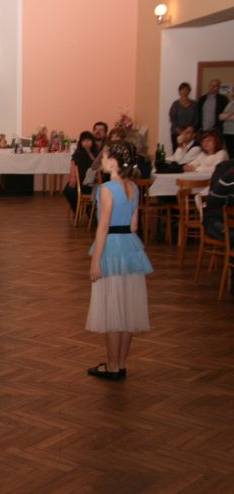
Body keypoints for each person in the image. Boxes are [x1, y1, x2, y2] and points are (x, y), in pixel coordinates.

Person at [86, 141, 153, 380]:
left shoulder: (106, 189)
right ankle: (121, 363)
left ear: (113, 162)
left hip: (111, 248)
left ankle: (112, 366)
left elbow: (103, 227)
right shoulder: (134, 187)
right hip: (130, 248)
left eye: (104, 157)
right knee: (128, 309)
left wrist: (96, 261)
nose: (102, 161)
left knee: (113, 310)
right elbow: (134, 226)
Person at [64, 131, 98, 211]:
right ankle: (79, 211)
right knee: (68, 190)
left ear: (92, 142)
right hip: (82, 181)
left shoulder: (96, 153)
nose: (86, 143)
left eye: (88, 140)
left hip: (93, 182)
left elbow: (97, 165)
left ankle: (89, 211)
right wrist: (73, 178)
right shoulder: (78, 153)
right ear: (81, 142)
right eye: (84, 141)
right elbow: (73, 165)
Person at [202, 159, 234, 241]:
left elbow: (212, 202)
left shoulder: (226, 169)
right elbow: (213, 204)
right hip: (222, 219)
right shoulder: (226, 169)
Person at [168, 82, 199, 152]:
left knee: (189, 152)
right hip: (177, 133)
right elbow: (172, 118)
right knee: (177, 151)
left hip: (190, 134)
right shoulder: (175, 104)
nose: (184, 91)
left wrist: (190, 129)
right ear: (179, 91)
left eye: (186, 89)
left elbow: (197, 118)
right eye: (182, 89)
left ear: (189, 91)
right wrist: (180, 131)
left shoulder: (194, 104)